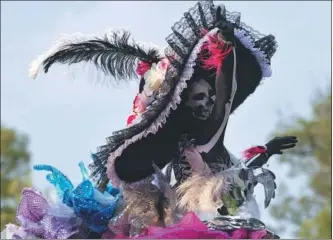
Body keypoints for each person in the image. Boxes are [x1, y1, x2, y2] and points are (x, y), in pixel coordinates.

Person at [2, 0, 298, 239]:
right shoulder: (202, 140)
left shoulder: (209, 141)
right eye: (199, 97)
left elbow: (234, 157)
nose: (208, 103)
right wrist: (225, 53)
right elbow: (225, 96)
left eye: (208, 96)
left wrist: (265, 152)